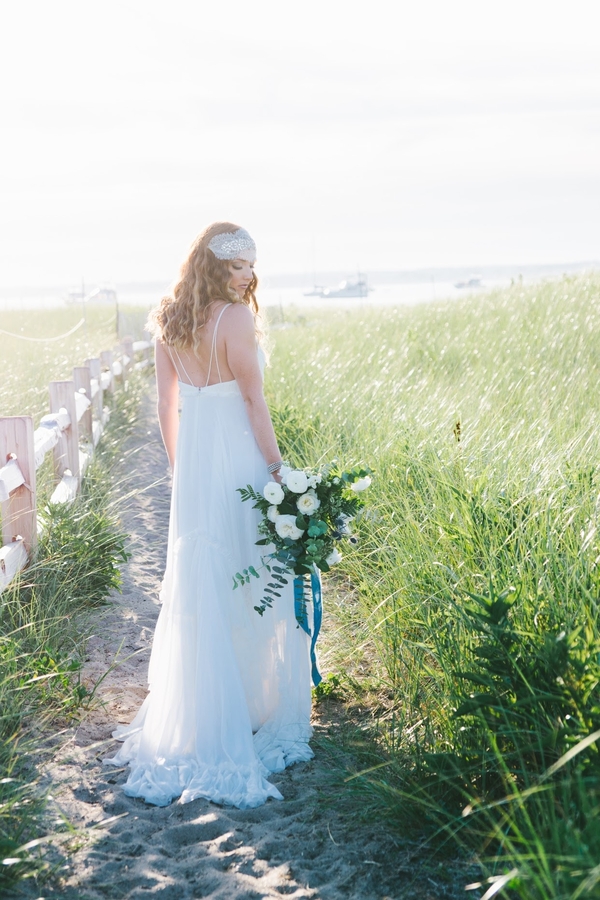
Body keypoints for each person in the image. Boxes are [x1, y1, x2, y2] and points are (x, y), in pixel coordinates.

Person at [105, 222, 313, 808]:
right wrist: (277, 469)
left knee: (209, 580)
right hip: (237, 458)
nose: (248, 275)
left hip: (196, 465)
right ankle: (248, 705)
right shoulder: (236, 319)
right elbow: (252, 398)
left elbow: (165, 404)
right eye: (237, 265)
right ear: (213, 265)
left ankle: (218, 703)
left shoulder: (169, 317)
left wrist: (181, 470)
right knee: (250, 573)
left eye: (251, 264)